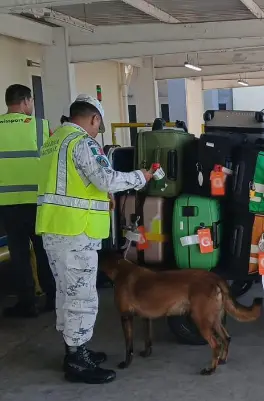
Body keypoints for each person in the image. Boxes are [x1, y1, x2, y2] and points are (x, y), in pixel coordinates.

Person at [36, 95, 154, 384]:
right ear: (94, 119)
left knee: (66, 293)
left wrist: (103, 198)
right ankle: (78, 363)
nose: (96, 131)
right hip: (76, 232)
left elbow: (75, 184)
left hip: (56, 229)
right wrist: (142, 176)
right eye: (97, 126)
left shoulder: (54, 141)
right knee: (81, 296)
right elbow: (106, 179)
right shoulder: (82, 142)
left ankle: (75, 349)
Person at [0, 84, 56, 318]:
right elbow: (54, 160)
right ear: (25, 101)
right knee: (44, 251)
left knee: (19, 254)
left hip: (7, 204)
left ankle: (27, 302)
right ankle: (52, 298)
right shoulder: (41, 127)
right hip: (36, 202)